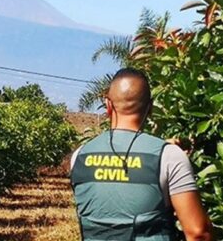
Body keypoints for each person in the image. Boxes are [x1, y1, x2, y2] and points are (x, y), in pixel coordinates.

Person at [70, 68, 214, 241]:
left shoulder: (79, 156)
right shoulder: (168, 157)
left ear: (108, 105)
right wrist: (168, 155)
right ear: (151, 107)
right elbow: (198, 233)